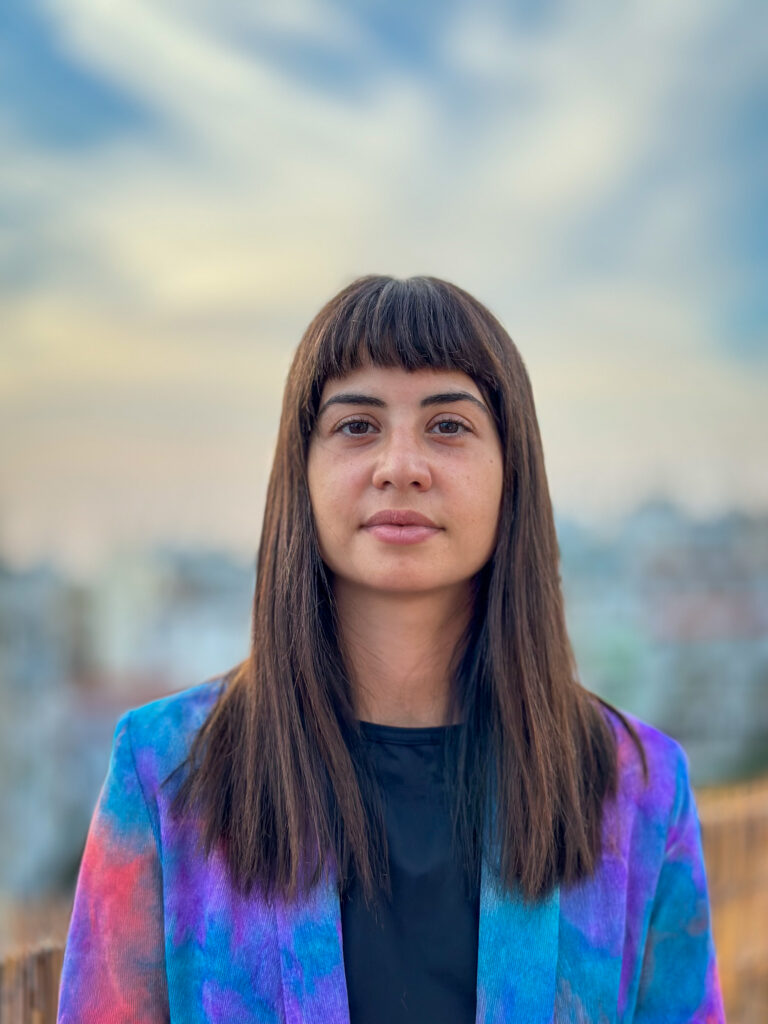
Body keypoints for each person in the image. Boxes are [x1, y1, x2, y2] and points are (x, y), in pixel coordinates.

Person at [57, 275, 725, 1023]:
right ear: (301, 471)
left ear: (513, 472)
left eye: (449, 426)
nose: (400, 465)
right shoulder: (167, 772)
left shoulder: (636, 790)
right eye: (357, 426)